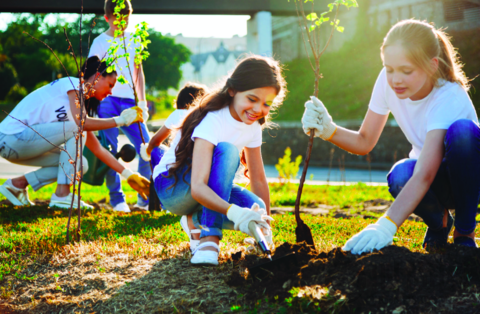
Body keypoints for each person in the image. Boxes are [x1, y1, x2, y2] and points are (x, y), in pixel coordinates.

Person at [301, 19, 479, 254]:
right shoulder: (388, 83)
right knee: (400, 175)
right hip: (433, 181)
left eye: (406, 71)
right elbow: (364, 141)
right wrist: (328, 130)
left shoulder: (448, 96)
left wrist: (386, 224)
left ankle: (465, 231)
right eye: (389, 68)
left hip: (469, 178)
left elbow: (425, 173)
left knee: (463, 133)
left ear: (432, 65)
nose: (395, 79)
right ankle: (440, 224)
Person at [154, 55, 286, 265]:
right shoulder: (213, 119)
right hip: (173, 188)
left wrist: (264, 227)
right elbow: (198, 187)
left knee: (256, 207)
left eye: (266, 103)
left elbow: (259, 181)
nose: (258, 109)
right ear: (232, 91)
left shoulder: (253, 126)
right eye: (252, 99)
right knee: (228, 150)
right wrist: (235, 213)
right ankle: (209, 238)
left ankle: (193, 220)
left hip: (203, 188)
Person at [0, 56, 149, 210]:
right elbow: (81, 123)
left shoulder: (77, 108)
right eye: (110, 85)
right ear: (98, 77)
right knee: (78, 129)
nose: (111, 92)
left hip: (20, 145)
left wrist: (128, 174)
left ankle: (16, 185)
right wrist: (120, 120)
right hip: (10, 138)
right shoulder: (73, 84)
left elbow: (98, 149)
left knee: (80, 164)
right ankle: (62, 196)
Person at [88, 0, 158, 213]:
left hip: (130, 101)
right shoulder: (100, 43)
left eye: (127, 18)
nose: (123, 23)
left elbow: (139, 72)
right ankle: (117, 199)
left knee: (146, 147)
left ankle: (144, 198)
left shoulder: (134, 39)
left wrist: (142, 103)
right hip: (106, 101)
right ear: (107, 18)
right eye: (118, 18)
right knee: (110, 149)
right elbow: (91, 75)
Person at [139, 82, 208, 168]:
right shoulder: (208, 117)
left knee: (156, 150)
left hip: (175, 169)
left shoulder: (179, 113)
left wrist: (147, 152)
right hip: (199, 168)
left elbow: (155, 141)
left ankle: (155, 178)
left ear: (181, 106)